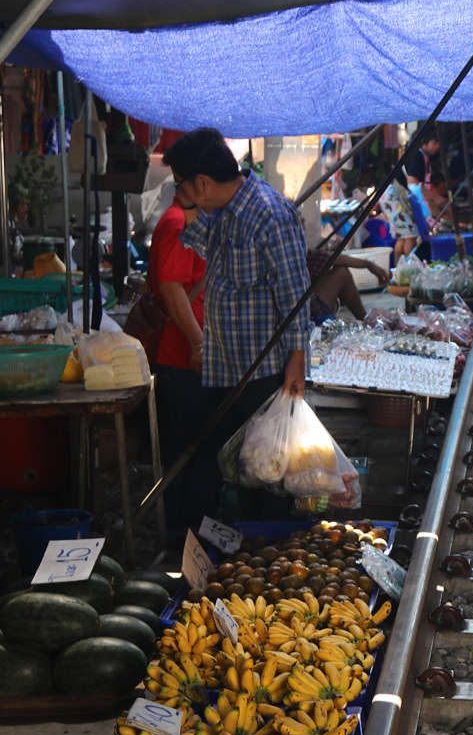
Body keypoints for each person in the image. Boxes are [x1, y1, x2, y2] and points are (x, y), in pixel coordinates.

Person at [166, 128, 310, 527]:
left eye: (181, 184)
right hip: (226, 367)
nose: (178, 192)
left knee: (268, 475)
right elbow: (199, 242)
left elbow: (296, 295)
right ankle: (234, 548)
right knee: (234, 466)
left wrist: (296, 364)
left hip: (265, 373)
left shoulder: (270, 214)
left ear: (203, 182)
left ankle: (270, 552)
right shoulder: (223, 212)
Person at [149, 191, 206, 538]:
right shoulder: (177, 224)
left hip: (191, 353)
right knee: (183, 451)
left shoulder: (190, 222)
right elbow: (172, 293)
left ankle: (189, 531)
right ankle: (178, 537)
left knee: (192, 448)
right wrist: (198, 343)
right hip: (181, 355)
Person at [306, 240, 389, 322]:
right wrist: (369, 265)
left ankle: (364, 318)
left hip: (309, 306)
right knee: (342, 273)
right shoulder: (302, 252)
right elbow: (333, 259)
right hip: (310, 312)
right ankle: (365, 319)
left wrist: (369, 265)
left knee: (337, 272)